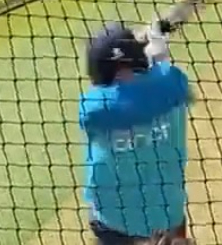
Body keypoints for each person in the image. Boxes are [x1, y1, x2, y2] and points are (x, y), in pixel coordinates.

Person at [80, 22, 192, 245]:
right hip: (168, 218)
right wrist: (157, 51)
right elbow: (162, 78)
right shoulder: (172, 88)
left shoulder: (93, 108)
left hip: (115, 225)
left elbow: (121, 96)